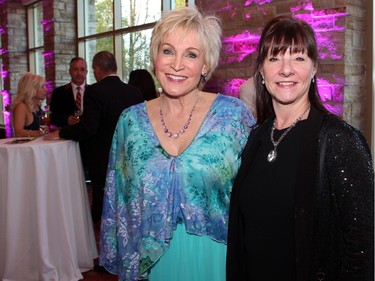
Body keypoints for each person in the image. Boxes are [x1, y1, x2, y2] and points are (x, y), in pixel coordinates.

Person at [99, 6, 255, 281]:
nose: (177, 65)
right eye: (168, 51)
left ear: (205, 64)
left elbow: (257, 196)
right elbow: (118, 202)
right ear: (155, 56)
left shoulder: (233, 117)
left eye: (191, 55)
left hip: (217, 260)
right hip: (153, 266)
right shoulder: (130, 123)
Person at [226, 16, 374, 281]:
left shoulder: (340, 141)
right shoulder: (255, 139)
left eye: (298, 58)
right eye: (274, 58)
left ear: (314, 68)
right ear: (260, 70)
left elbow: (363, 248)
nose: (286, 70)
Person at [45, 51, 144, 223]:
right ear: (115, 67)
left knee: (102, 196)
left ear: (96, 69)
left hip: (102, 156)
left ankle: (101, 231)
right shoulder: (134, 92)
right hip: (130, 154)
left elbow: (88, 128)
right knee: (127, 194)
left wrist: (61, 132)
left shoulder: (95, 91)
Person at [50, 57, 88, 127]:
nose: (79, 73)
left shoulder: (94, 92)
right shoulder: (58, 93)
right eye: (75, 69)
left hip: (90, 136)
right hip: (66, 135)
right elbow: (53, 118)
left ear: (86, 72)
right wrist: (66, 120)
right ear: (70, 71)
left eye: (82, 69)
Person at [11, 72, 47, 137]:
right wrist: (39, 133)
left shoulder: (37, 106)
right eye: (42, 87)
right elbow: (18, 132)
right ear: (31, 89)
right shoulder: (21, 106)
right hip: (26, 146)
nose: (46, 90)